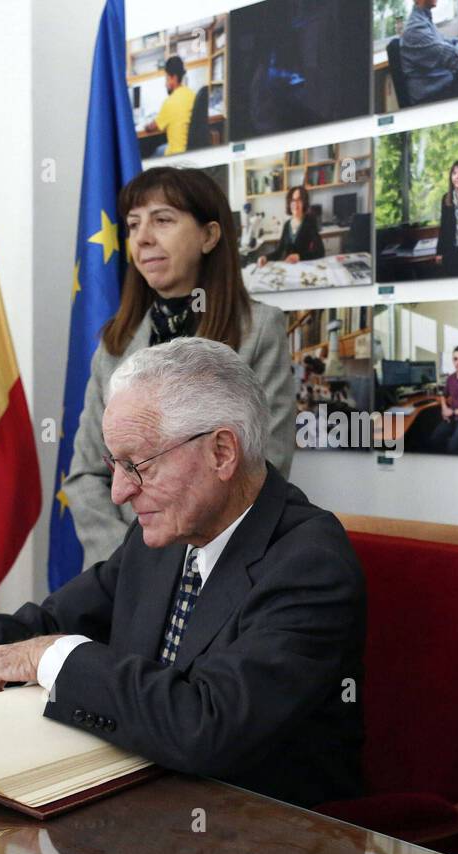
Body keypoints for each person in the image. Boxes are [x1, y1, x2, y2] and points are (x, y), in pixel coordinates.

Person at [0, 338, 367, 811]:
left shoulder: (309, 562)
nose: (118, 493)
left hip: (264, 830)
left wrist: (52, 655)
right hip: (142, 801)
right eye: (115, 465)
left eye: (138, 464)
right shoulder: (167, 530)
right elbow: (51, 618)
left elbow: (208, 726)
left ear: (222, 452)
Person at [63, 166, 295, 571]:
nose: (143, 238)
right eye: (134, 225)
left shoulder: (260, 331)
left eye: (163, 220)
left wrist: (177, 568)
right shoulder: (113, 345)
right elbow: (85, 477)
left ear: (209, 235)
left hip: (216, 570)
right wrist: (130, 564)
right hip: (118, 571)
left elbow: (262, 468)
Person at [257, 186, 324, 267]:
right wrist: (265, 258)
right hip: (289, 269)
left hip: (305, 268)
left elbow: (320, 252)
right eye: (293, 200)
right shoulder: (287, 225)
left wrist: (299, 256)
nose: (295, 203)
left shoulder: (309, 223)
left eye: (299, 200)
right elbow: (279, 251)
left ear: (304, 203)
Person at [428, 345, 458, 454]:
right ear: (453, 361)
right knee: (434, 438)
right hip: (452, 418)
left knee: (452, 447)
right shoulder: (450, 378)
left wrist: (452, 412)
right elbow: (443, 395)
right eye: (455, 359)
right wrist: (444, 409)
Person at [142, 55, 194, 157]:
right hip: (191, 150)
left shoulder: (170, 102)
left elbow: (152, 127)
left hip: (175, 155)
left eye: (166, 78)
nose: (165, 84)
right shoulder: (192, 94)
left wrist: (146, 126)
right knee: (160, 148)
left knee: (152, 154)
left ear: (173, 78)